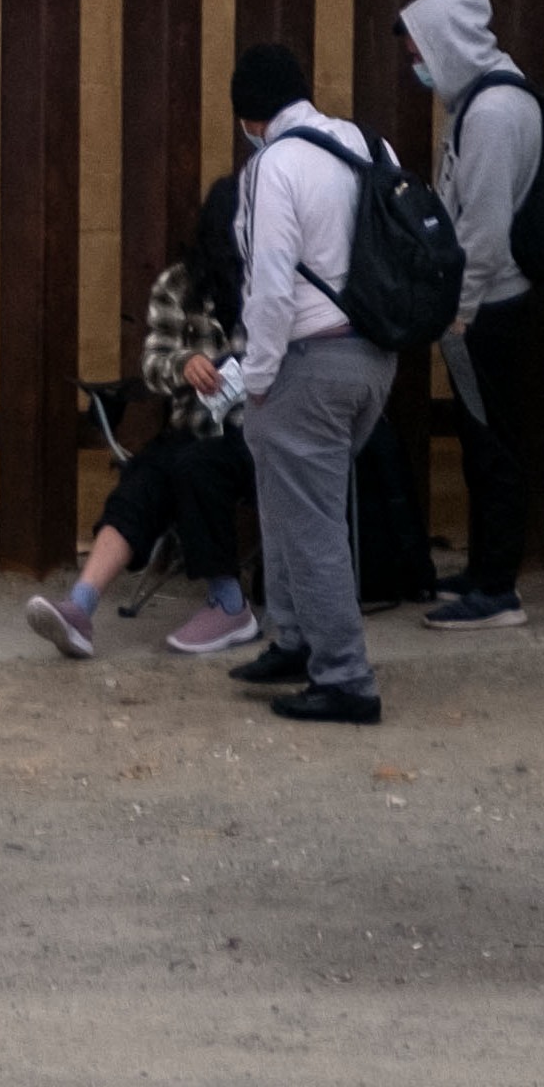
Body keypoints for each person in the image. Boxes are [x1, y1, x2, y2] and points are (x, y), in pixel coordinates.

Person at [202, 38, 394, 728]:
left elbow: (270, 288)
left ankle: (343, 677)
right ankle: (294, 638)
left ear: (249, 117)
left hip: (307, 362)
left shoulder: (272, 166)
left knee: (308, 524)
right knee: (290, 501)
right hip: (374, 355)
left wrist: (253, 379)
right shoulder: (364, 144)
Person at [27, 173, 259, 659]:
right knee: (144, 478)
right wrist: (183, 364)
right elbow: (153, 363)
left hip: (258, 433)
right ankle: (80, 607)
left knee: (196, 468)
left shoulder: (276, 280)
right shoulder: (179, 286)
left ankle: (229, 602)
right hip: (192, 428)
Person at [399, 0, 544, 631]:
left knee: (492, 445)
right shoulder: (483, 100)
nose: (414, 62)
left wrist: (454, 313)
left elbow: (482, 230)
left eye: (419, 48)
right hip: (488, 304)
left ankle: (496, 588)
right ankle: (487, 568)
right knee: (483, 439)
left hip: (488, 309)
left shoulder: (490, 113)